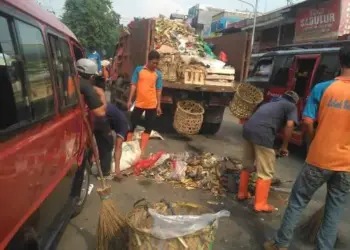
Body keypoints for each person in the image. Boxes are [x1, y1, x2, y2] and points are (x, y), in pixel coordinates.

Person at [264, 47, 350, 250]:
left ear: (339, 60)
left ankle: (281, 243)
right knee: (334, 210)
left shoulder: (323, 88)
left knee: (298, 201)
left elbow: (308, 122)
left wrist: (312, 142)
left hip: (319, 158)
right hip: (346, 165)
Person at [237, 91, 299, 213]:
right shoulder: (291, 106)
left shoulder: (271, 102)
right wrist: (284, 146)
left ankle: (242, 193)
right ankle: (260, 204)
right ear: (295, 101)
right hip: (262, 134)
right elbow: (290, 125)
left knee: (247, 164)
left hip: (248, 130)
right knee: (266, 172)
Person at [126, 50, 162, 152]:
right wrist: (129, 100)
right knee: (132, 125)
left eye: (157, 63)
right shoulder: (139, 70)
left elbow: (159, 90)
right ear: (148, 60)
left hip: (152, 105)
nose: (155, 65)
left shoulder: (158, 74)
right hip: (139, 104)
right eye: (153, 63)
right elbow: (133, 85)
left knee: (148, 128)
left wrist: (158, 106)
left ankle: (141, 151)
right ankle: (127, 146)